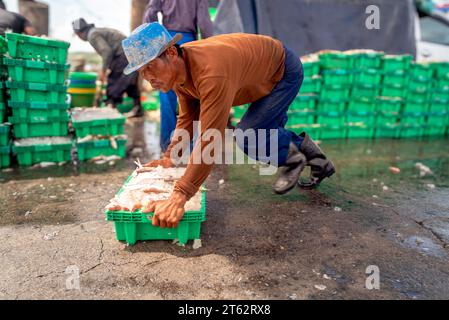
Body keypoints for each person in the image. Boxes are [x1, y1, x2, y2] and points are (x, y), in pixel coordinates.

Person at [121, 23, 335, 229]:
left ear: (171, 53)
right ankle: (318, 160)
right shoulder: (179, 72)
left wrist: (180, 195)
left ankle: (293, 158)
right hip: (258, 68)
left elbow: (210, 139)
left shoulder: (210, 72)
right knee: (261, 131)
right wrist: (170, 158)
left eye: (151, 67)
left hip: (282, 70)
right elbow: (187, 118)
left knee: (249, 136)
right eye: (142, 72)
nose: (149, 78)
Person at [143, 0, 214, 151]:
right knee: (193, 96)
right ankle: (192, 146)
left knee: (166, 95)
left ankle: (168, 146)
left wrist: (153, 41)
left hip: (166, 40)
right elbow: (203, 20)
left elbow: (150, 13)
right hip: (189, 41)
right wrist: (210, 45)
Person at [72, 18, 143, 117]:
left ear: (80, 33)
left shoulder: (92, 35)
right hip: (131, 53)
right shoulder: (96, 31)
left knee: (114, 83)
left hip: (123, 55)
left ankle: (110, 111)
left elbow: (106, 51)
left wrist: (103, 70)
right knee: (130, 82)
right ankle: (138, 109)